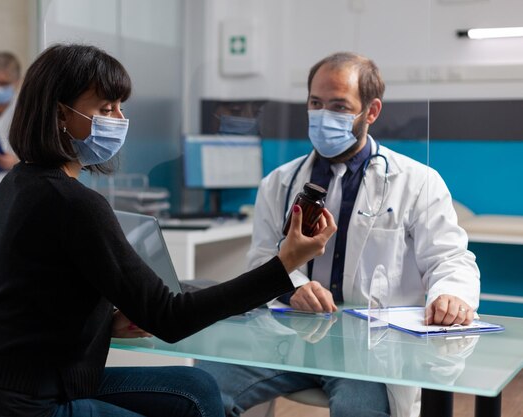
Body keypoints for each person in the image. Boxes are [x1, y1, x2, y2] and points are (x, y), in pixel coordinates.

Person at [0, 43, 338, 417]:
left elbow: (43, 295)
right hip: (25, 402)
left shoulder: (20, 181)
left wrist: (108, 319)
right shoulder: (75, 203)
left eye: (120, 107)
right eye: (105, 108)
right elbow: (170, 317)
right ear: (60, 114)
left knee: (196, 388)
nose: (118, 120)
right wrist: (285, 263)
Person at [196, 52, 480, 417]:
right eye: (315, 103)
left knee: (357, 410)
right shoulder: (279, 182)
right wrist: (294, 286)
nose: (323, 115)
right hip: (289, 339)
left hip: (369, 349)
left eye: (339, 106)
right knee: (202, 387)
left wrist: (450, 295)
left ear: (371, 111)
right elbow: (262, 258)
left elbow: (450, 258)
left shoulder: (417, 182)